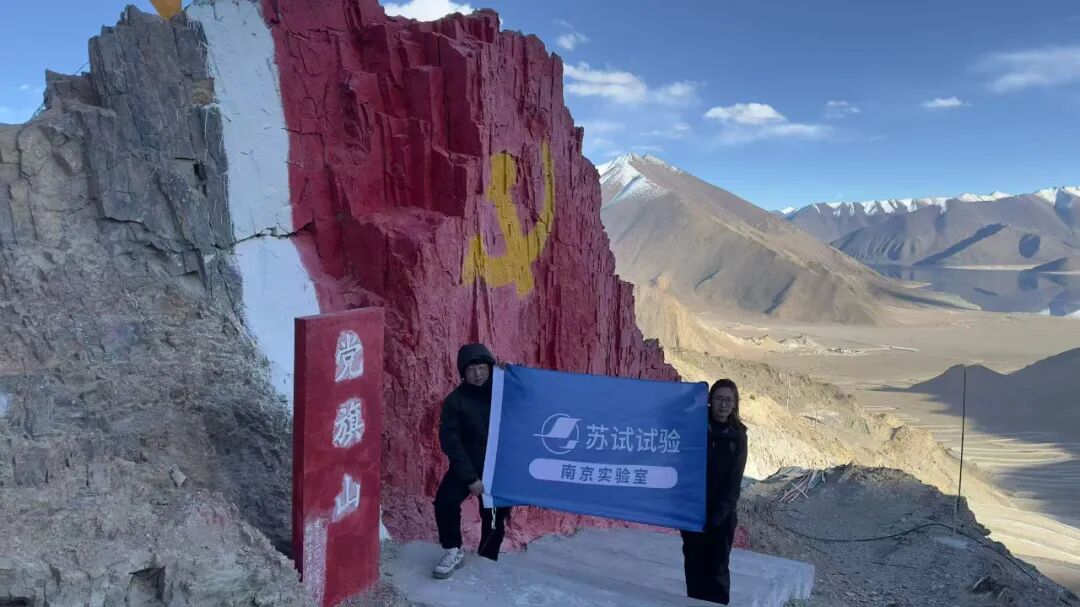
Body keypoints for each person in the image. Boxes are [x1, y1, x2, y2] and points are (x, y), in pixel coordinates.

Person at [432, 343, 513, 579]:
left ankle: (487, 557)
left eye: (482, 367)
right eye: (471, 369)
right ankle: (453, 550)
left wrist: (512, 374)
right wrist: (470, 478)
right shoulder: (455, 401)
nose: (477, 374)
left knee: (494, 516)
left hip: (498, 468)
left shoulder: (503, 391)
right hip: (467, 466)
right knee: (445, 502)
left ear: (489, 367)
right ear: (463, 373)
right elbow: (451, 443)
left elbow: (529, 398)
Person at [681, 378, 748, 604]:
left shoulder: (738, 435)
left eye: (729, 400)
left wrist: (716, 517)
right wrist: (692, 395)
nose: (723, 405)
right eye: (719, 398)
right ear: (709, 400)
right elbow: (669, 417)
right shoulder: (696, 427)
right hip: (692, 511)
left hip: (722, 517)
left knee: (717, 569)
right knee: (694, 566)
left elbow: (733, 483)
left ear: (735, 404)